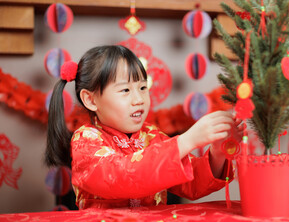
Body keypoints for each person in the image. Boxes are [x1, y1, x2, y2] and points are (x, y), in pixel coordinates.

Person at [45, 45, 241, 209]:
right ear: (91, 99)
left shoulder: (152, 135)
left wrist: (217, 152)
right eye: (125, 90)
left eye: (142, 87)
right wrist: (186, 141)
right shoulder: (85, 140)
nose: (139, 99)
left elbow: (193, 185)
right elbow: (121, 175)